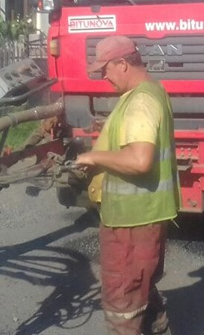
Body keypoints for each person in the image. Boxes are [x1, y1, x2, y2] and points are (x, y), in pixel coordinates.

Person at [74, 35, 179, 335]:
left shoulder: (140, 102)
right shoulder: (150, 92)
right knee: (141, 284)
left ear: (122, 64)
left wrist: (93, 157)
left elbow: (138, 160)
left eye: (105, 69)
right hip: (145, 214)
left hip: (131, 220)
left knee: (122, 301)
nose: (103, 77)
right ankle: (158, 325)